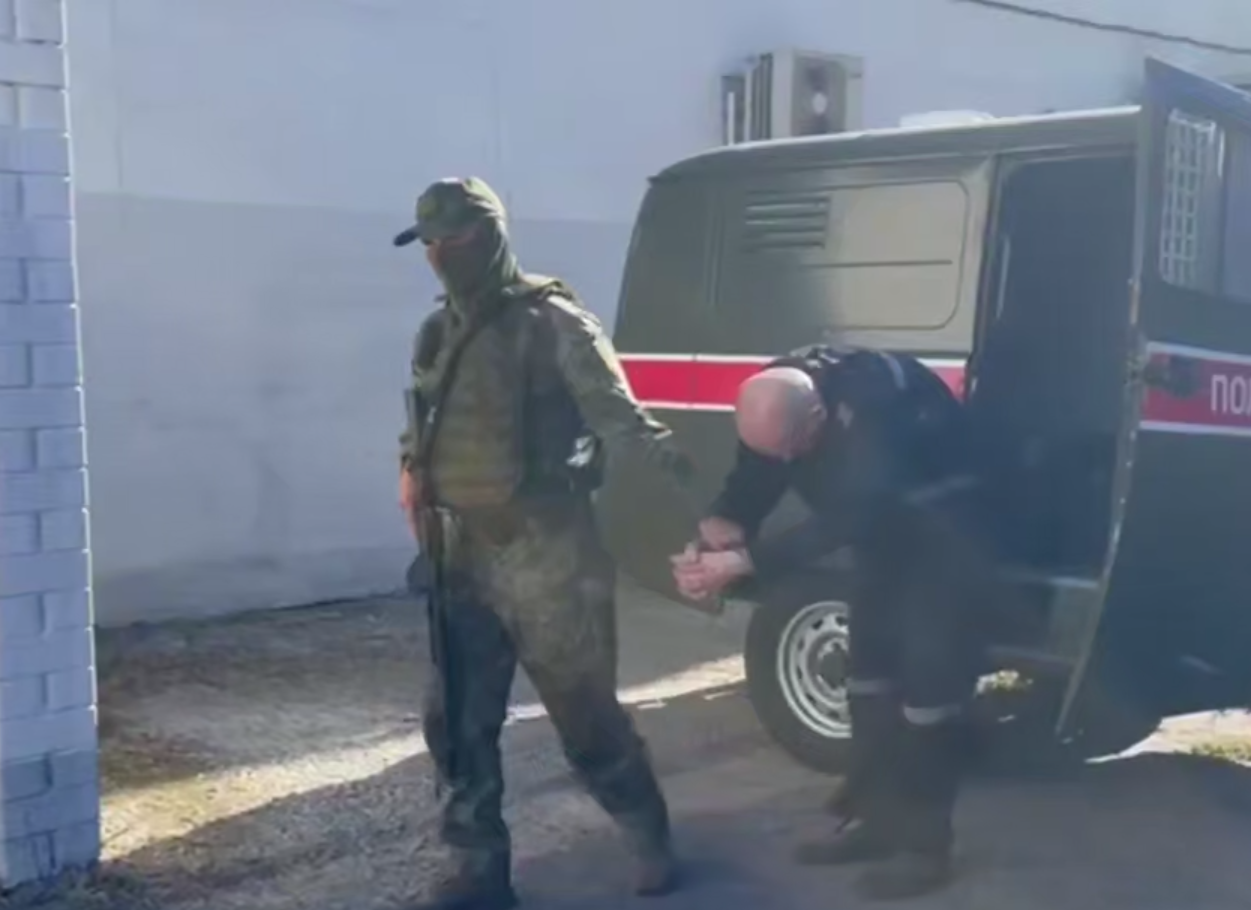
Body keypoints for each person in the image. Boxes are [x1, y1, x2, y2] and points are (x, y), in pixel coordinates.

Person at [396, 177, 696, 910]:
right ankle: (478, 869)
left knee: (586, 716)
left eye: (455, 238)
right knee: (456, 720)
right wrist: (411, 474)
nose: (440, 254)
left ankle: (647, 831)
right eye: (429, 242)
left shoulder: (554, 322)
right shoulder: (436, 331)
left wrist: (686, 504)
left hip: (548, 553)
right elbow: (423, 422)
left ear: (492, 236)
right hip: (458, 554)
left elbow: (622, 420)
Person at [671, 345, 989, 901]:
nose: (788, 461)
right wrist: (725, 523)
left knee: (927, 697)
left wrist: (748, 561)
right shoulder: (777, 397)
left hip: (946, 538)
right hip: (883, 544)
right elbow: (759, 469)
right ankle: (877, 822)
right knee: (867, 680)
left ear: (820, 414)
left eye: (796, 448)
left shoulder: (877, 402)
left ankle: (925, 850)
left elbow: (861, 511)